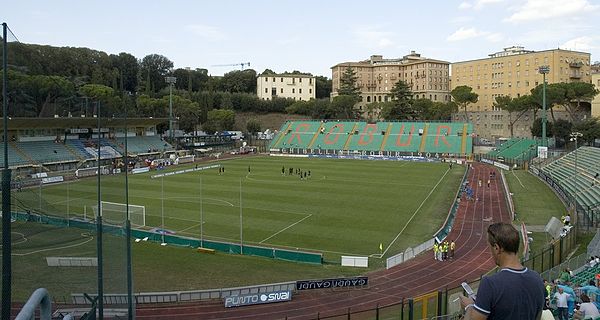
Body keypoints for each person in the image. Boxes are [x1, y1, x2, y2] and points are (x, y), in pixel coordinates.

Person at [459, 222, 545, 320]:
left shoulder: (490, 283)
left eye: (490, 248)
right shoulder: (537, 279)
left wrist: (469, 307)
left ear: (497, 248)